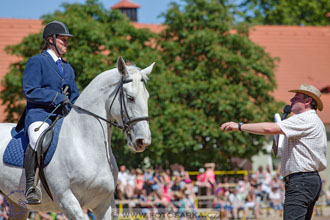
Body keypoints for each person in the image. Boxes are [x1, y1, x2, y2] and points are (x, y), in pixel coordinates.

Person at [221, 84, 327, 220]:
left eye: (297, 97)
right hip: (307, 180)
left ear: (307, 101)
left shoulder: (305, 118)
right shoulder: (311, 120)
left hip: (301, 181)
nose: (291, 100)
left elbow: (270, 129)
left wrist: (239, 126)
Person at [21, 20, 79, 204]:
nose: (66, 44)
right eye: (63, 40)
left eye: (67, 40)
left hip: (62, 117)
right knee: (37, 140)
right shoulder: (37, 61)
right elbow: (30, 90)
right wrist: (57, 98)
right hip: (40, 115)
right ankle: (31, 186)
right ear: (51, 40)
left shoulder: (67, 67)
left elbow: (75, 95)